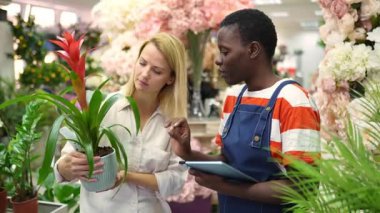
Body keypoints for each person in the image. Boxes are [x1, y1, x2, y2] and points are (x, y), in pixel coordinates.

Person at [166, 9, 320, 212]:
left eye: (225, 51)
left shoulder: (293, 100)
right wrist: (187, 151)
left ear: (253, 50)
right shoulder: (234, 97)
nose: (218, 60)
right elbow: (227, 162)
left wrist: (225, 187)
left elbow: (303, 188)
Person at [55, 33, 188, 213]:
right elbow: (67, 160)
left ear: (171, 78)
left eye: (157, 71)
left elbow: (176, 181)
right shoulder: (103, 107)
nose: (145, 74)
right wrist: (65, 167)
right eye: (142, 63)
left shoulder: (173, 124)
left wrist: (127, 176)